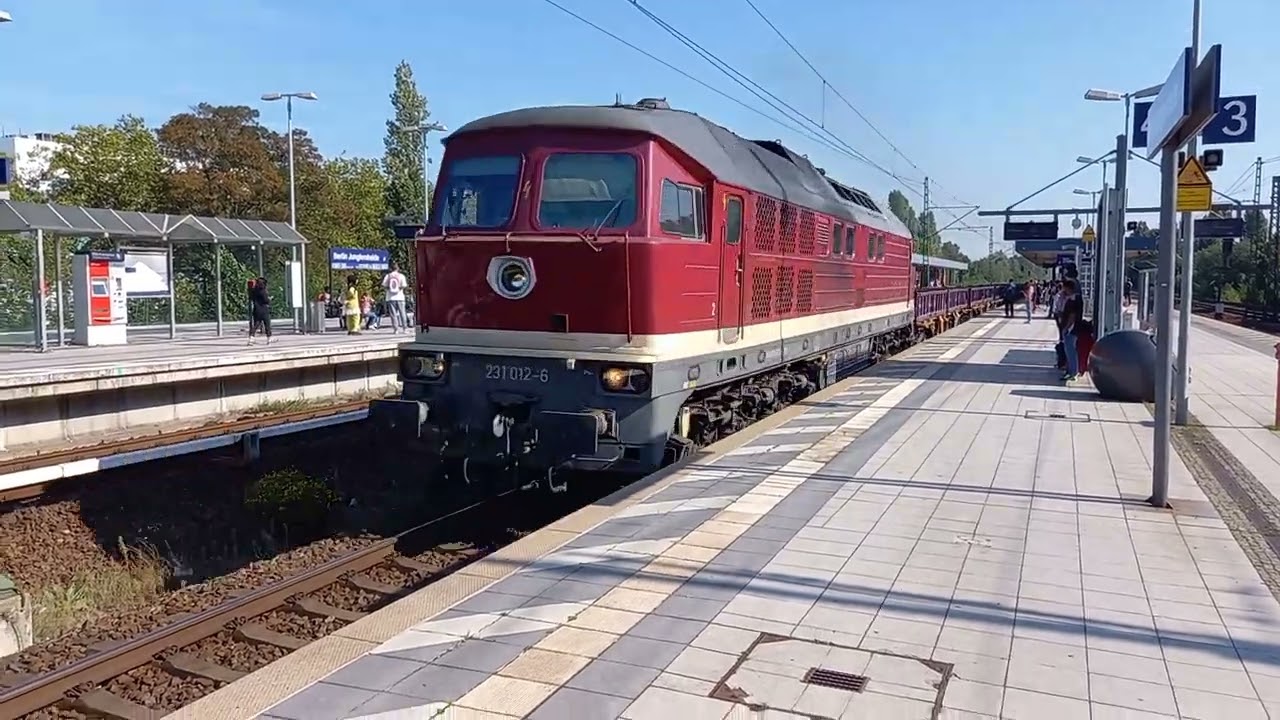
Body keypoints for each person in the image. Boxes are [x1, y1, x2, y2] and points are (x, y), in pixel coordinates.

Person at [1059, 279, 1084, 382]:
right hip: (1072, 328)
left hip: (1071, 329)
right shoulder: (1074, 298)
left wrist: (1066, 328)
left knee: (1070, 351)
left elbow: (1072, 315)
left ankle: (1073, 372)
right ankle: (1070, 371)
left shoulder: (1074, 299)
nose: (1063, 289)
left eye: (1064, 287)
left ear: (1068, 287)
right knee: (1069, 351)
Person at [381, 263, 409, 334]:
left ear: (391, 268)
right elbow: (404, 285)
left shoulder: (388, 276)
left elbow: (384, 285)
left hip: (390, 297)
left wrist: (390, 289)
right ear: (398, 268)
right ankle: (404, 328)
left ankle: (396, 329)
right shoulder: (401, 276)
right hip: (400, 297)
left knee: (393, 314)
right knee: (402, 313)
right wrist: (398, 289)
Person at [248, 277, 272, 345]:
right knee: (267, 324)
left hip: (256, 309)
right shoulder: (263, 291)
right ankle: (269, 338)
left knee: (256, 324)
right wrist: (269, 300)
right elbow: (266, 300)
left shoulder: (253, 291)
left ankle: (251, 339)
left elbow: (251, 298)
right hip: (264, 309)